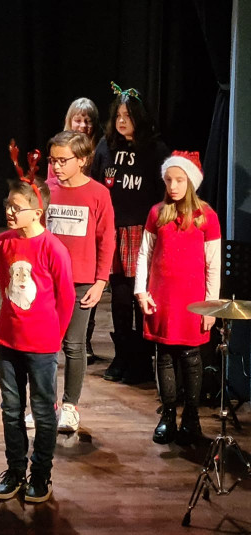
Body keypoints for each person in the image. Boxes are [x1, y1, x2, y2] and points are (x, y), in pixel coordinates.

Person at [0, 169, 75, 504]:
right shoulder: (4, 242)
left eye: (17, 207)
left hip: (41, 344)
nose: (9, 211)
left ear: (37, 212)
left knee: (42, 410)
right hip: (8, 339)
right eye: (8, 205)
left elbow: (66, 298)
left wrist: (53, 336)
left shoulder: (53, 248)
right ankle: (15, 471)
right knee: (11, 409)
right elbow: (5, 284)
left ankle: (41, 474)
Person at [135, 151, 220, 445]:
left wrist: (210, 306)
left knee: (191, 356)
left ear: (191, 182)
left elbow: (213, 264)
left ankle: (191, 417)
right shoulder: (157, 213)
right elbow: (145, 254)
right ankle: (168, 414)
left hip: (193, 300)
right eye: (169, 180)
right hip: (162, 297)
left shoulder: (206, 217)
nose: (173, 186)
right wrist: (141, 291)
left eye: (180, 180)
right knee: (165, 355)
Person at [90, 83, 170, 384]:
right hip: (113, 228)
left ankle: (142, 358)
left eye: (128, 116)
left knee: (141, 295)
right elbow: (95, 184)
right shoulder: (105, 146)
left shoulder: (155, 149)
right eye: (118, 116)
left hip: (142, 230)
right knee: (120, 295)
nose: (122, 121)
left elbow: (165, 192)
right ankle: (122, 354)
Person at [45, 131, 115, 434]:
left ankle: (70, 406)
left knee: (73, 345)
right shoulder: (46, 190)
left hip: (81, 282)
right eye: (53, 161)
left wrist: (100, 281)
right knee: (45, 346)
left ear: (83, 160)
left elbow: (106, 239)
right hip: (46, 280)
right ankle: (45, 405)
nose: (57, 166)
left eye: (64, 160)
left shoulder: (98, 193)